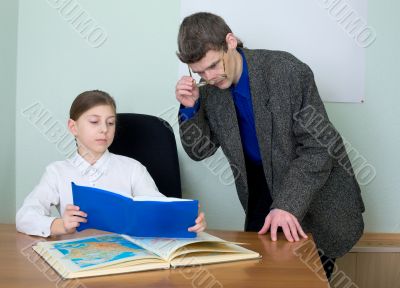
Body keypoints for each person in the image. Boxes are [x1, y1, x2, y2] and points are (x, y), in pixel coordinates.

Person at [175, 12, 364, 280]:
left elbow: (319, 148)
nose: (210, 77)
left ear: (230, 42)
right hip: (259, 193)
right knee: (260, 277)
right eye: (200, 72)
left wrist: (287, 204)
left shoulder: (287, 71)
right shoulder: (208, 89)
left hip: (312, 193)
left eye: (214, 65)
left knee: (307, 279)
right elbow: (199, 151)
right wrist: (190, 109)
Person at [16, 90, 206, 237]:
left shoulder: (133, 169)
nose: (104, 130)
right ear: (73, 127)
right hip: (76, 259)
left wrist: (186, 216)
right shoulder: (57, 172)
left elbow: (156, 206)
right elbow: (24, 216)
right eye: (94, 122)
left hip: (125, 259)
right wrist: (60, 225)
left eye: (110, 123)